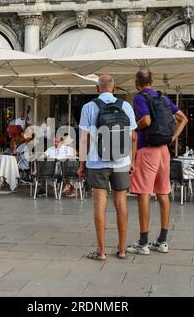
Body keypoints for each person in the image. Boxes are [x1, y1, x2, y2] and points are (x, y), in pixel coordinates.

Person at [127, 69, 188, 255]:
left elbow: (145, 120)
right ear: (152, 81)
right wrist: (172, 138)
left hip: (147, 150)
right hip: (164, 151)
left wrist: (133, 127)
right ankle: (162, 241)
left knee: (143, 193)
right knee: (163, 192)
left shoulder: (139, 98)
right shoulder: (163, 98)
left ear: (137, 83)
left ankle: (143, 242)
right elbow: (183, 119)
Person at [77, 75, 137, 261]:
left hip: (97, 162)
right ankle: (122, 249)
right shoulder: (126, 106)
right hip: (121, 162)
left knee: (99, 205)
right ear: (115, 88)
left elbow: (84, 138)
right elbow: (133, 137)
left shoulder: (88, 107)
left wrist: (82, 164)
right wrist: (132, 161)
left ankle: (101, 251)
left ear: (97, 89)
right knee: (121, 204)